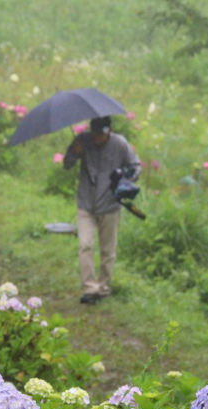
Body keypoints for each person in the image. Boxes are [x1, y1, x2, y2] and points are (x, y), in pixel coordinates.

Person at [62, 115, 140, 304]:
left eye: (102, 134)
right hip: (86, 203)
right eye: (95, 134)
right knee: (85, 245)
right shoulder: (82, 140)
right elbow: (67, 164)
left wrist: (126, 178)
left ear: (109, 131)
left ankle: (103, 288)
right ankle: (90, 289)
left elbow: (135, 166)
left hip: (110, 204)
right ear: (91, 130)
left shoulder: (120, 144)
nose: (98, 138)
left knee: (108, 250)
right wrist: (74, 152)